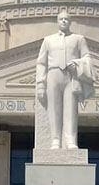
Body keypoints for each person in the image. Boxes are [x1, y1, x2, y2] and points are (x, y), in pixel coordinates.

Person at [34, 11, 95, 150]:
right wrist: (40, 84)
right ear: (57, 21)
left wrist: (78, 64)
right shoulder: (48, 40)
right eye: (61, 19)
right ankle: (55, 139)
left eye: (66, 19)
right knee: (54, 108)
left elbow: (87, 57)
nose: (63, 21)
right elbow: (41, 63)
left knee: (71, 109)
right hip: (53, 74)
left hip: (71, 76)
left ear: (70, 22)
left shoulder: (78, 39)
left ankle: (70, 139)